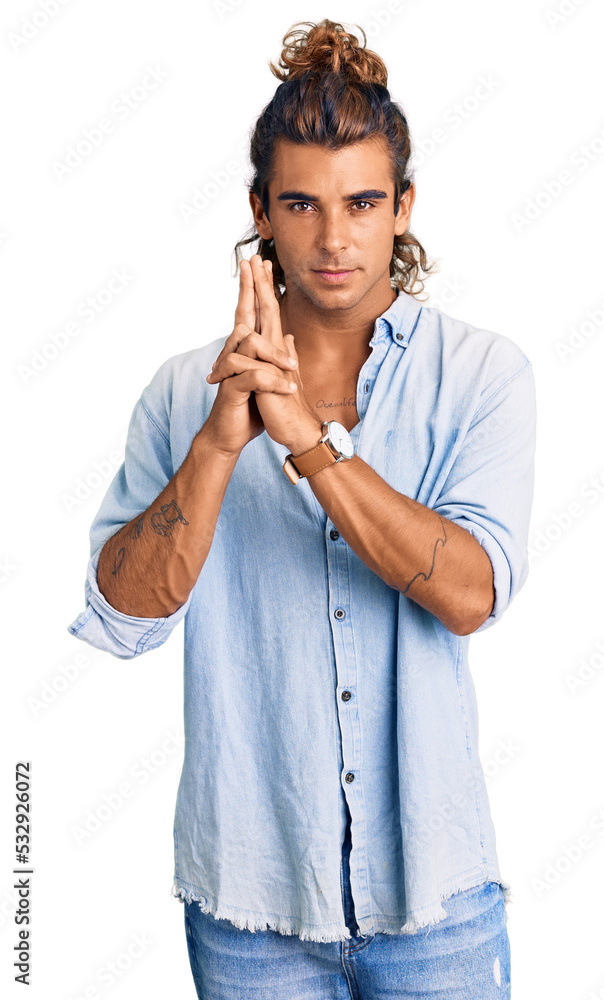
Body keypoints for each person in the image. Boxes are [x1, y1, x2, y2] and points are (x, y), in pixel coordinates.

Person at [67, 18, 536, 999]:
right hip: (249, 905)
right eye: (302, 204)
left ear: (404, 207)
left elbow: (468, 593)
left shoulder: (483, 375)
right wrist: (220, 442)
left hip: (435, 902)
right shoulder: (181, 391)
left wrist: (310, 445)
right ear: (259, 211)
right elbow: (123, 617)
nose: (334, 237)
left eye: (363, 203)